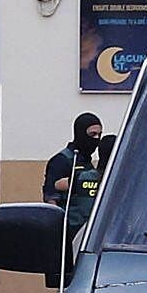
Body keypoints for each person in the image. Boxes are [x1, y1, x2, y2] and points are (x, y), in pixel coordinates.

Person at [47, 112, 112, 272]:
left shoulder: (89, 164)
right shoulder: (62, 160)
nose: (96, 139)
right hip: (70, 236)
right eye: (92, 134)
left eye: (99, 135)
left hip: (91, 236)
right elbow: (51, 199)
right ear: (80, 133)